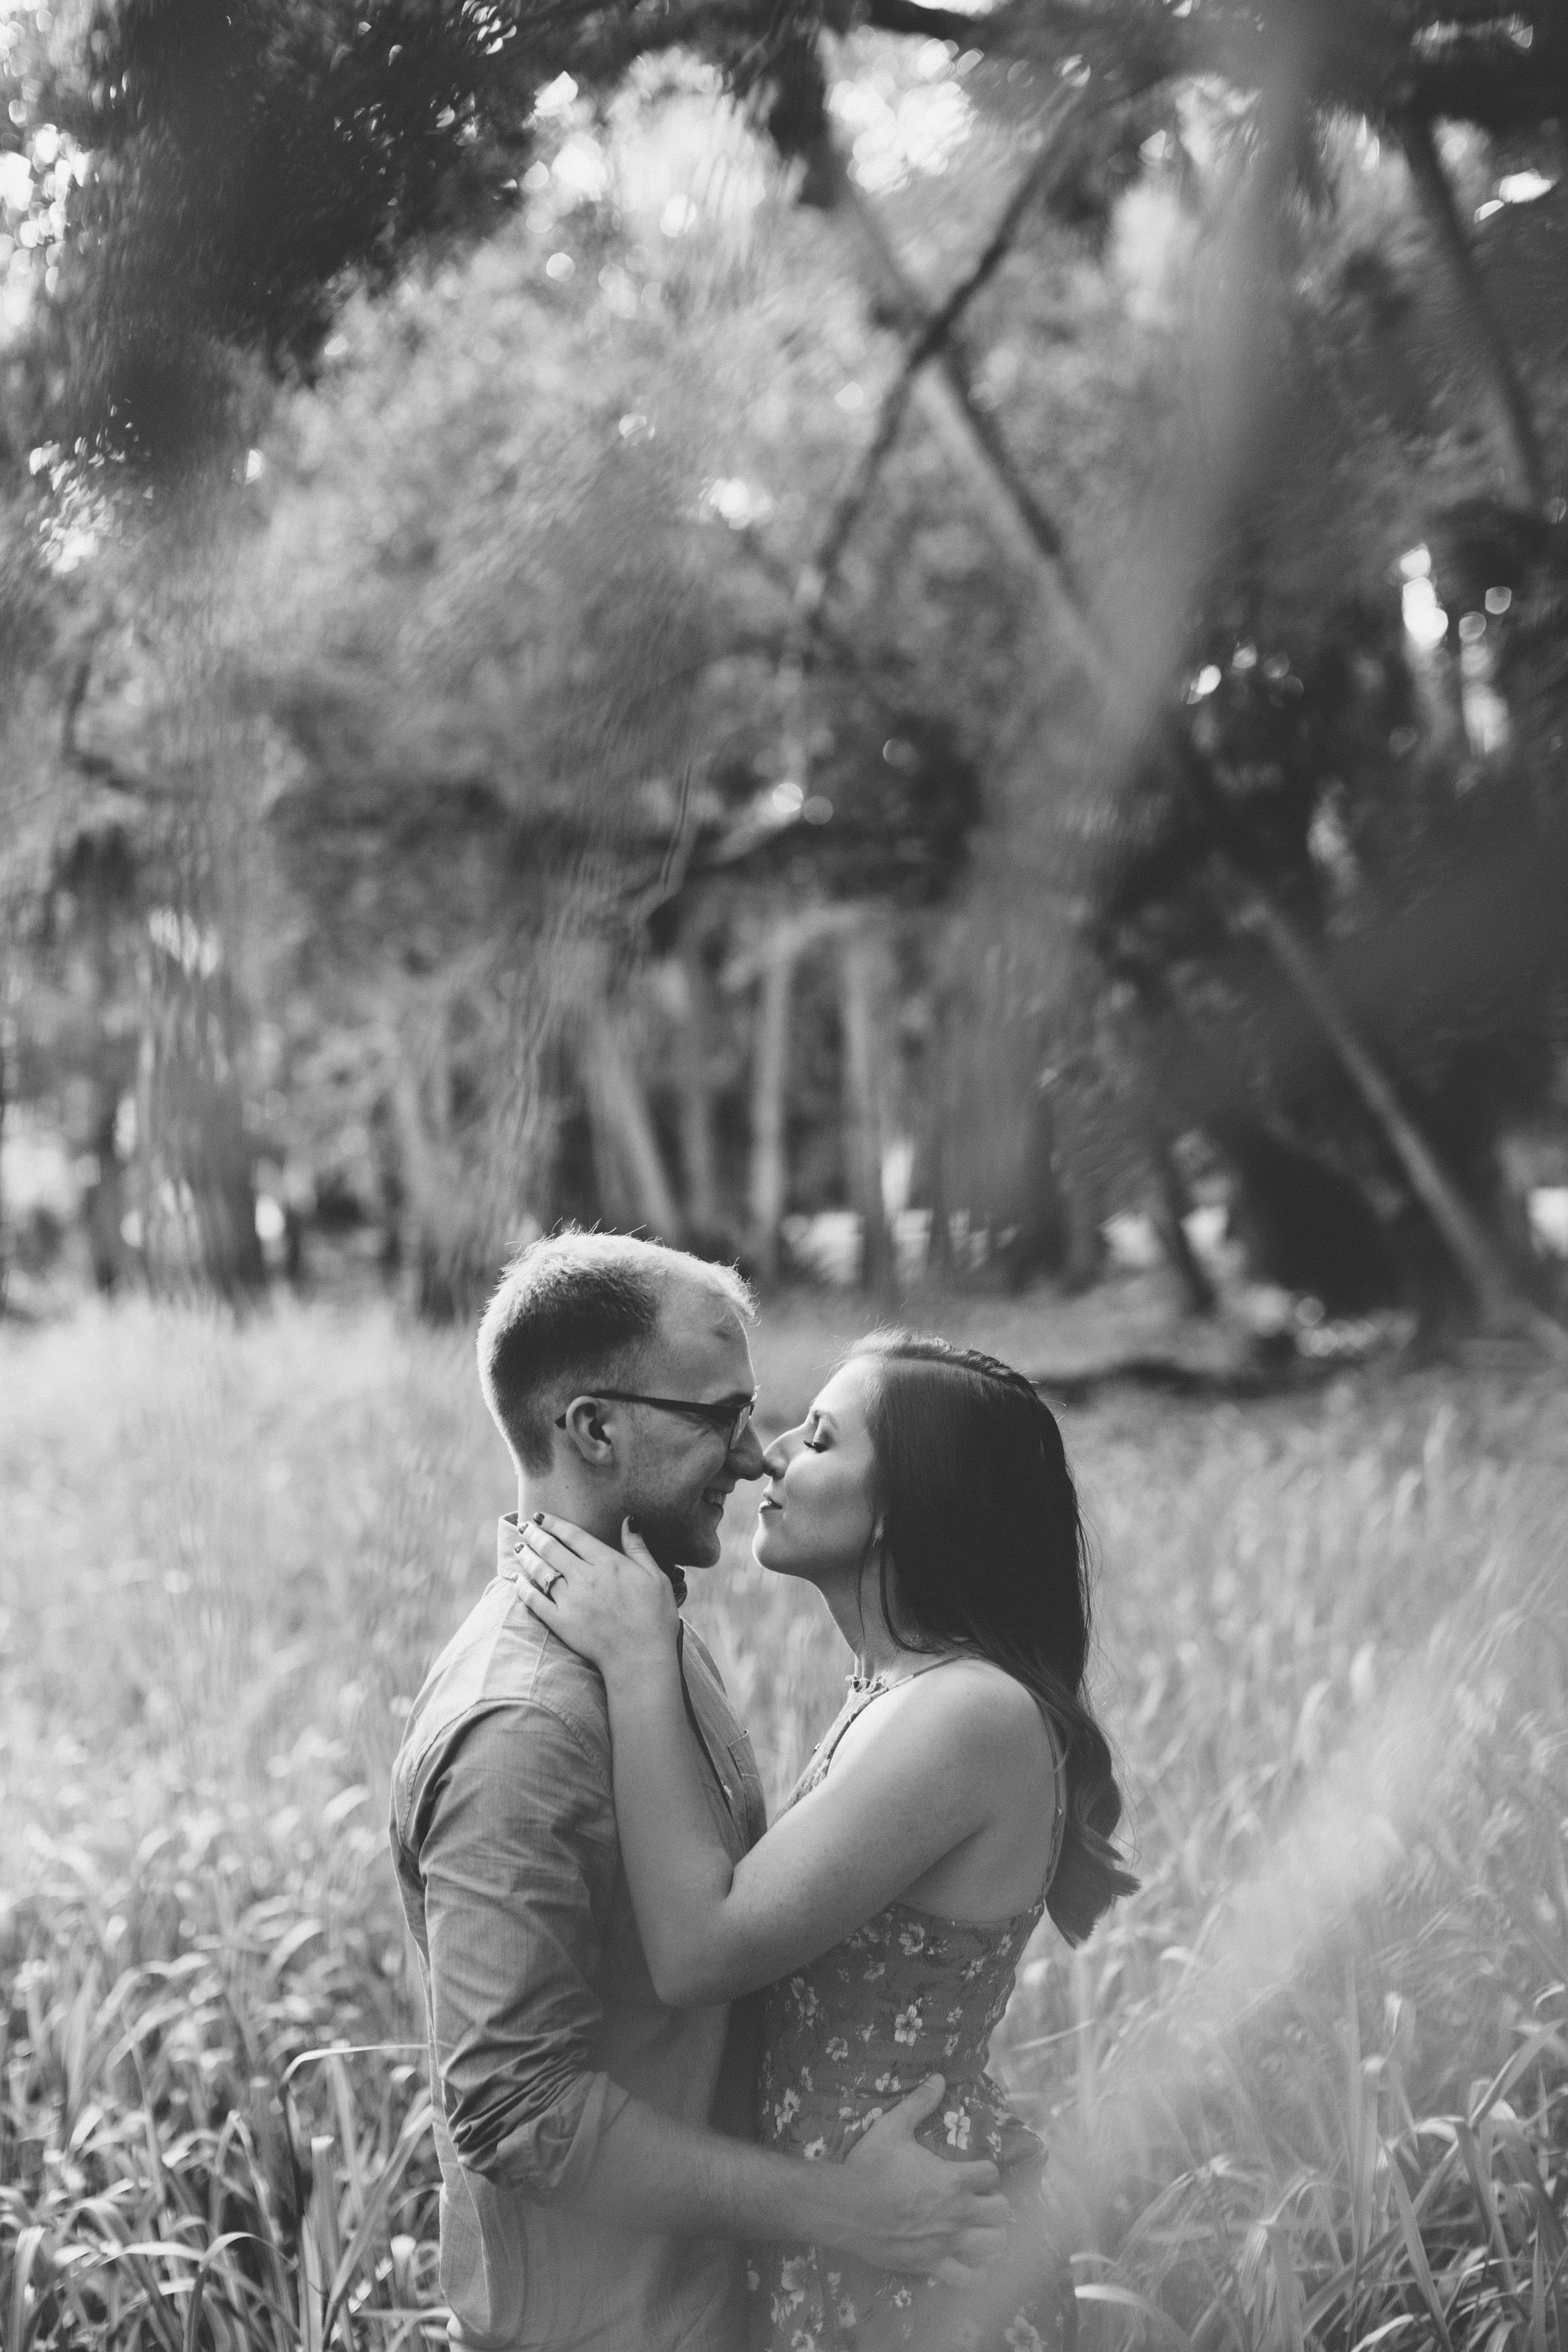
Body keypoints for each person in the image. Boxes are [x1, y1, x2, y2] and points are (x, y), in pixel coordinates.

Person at [389, 1239, 1013, 2352]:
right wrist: (835, 2206)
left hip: (713, 2304)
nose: (750, 1456)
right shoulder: (525, 1726)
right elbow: (517, 2110)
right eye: (719, 1415)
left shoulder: (643, 1633)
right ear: (594, 1428)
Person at [517, 1329, 1138, 2352]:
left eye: (818, 1440)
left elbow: (700, 1951)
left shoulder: (967, 1713)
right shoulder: (898, 1692)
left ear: (898, 1505)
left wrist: (639, 1659)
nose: (766, 1457)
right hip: (853, 2229)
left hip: (920, 2259)